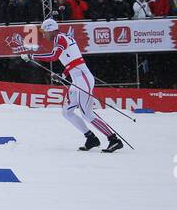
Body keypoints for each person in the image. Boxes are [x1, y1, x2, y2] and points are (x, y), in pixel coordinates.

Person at [22, 17, 122, 152]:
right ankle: (91, 138)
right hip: (77, 80)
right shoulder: (61, 39)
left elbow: (53, 56)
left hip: (83, 78)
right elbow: (72, 61)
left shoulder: (61, 39)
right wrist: (62, 75)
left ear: (51, 30)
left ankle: (113, 139)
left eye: (44, 32)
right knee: (67, 112)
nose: (43, 35)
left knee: (87, 114)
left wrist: (32, 56)